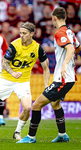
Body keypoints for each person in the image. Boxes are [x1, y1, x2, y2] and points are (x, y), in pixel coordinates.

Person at [0, 22, 50, 139]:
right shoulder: (14, 45)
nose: (21, 35)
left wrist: (46, 85)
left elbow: (45, 67)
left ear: (32, 34)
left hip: (23, 82)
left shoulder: (37, 48)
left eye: (24, 33)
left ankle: (17, 132)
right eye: (20, 33)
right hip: (6, 80)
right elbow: (5, 63)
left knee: (27, 108)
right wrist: (13, 73)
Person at [17, 7, 81, 143]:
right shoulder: (70, 32)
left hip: (62, 78)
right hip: (68, 77)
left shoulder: (60, 32)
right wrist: (70, 62)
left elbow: (70, 48)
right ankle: (63, 135)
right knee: (55, 103)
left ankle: (31, 137)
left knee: (36, 105)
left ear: (54, 18)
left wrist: (65, 64)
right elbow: (77, 47)